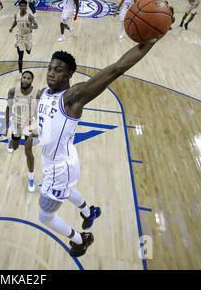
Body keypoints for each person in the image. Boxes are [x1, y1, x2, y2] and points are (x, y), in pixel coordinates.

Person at [32, 31, 170, 257]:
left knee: (45, 216)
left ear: (70, 73)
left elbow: (116, 69)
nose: (51, 74)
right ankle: (89, 211)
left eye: (58, 70)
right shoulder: (45, 93)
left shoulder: (73, 97)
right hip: (59, 158)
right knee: (66, 191)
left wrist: (151, 41)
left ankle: (80, 240)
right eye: (49, 68)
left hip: (60, 168)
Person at [4, 71, 42, 192]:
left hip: (30, 124)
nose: (25, 80)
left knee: (28, 151)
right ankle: (11, 141)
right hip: (16, 123)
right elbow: (8, 109)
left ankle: (31, 178)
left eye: (28, 78)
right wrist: (5, 127)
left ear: (32, 81)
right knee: (15, 147)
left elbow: (41, 112)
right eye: (24, 77)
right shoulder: (12, 91)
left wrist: (39, 127)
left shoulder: (37, 93)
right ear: (21, 78)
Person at [9, 0, 38, 76]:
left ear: (26, 7)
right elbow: (15, 22)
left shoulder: (29, 16)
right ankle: (20, 72)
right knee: (20, 55)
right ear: (19, 7)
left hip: (27, 37)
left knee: (28, 52)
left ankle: (29, 48)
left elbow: (36, 26)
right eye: (21, 6)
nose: (23, 7)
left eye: (24, 6)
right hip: (20, 37)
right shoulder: (16, 15)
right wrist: (11, 27)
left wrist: (31, 26)